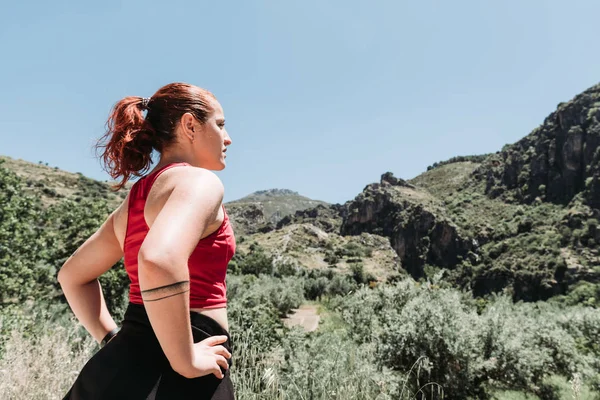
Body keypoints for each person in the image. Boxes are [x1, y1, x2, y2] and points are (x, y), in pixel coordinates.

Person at [58, 82, 236, 399]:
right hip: (181, 369)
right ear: (190, 125)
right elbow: (159, 259)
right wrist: (185, 359)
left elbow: (72, 276)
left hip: (119, 366)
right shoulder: (199, 182)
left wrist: (110, 338)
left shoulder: (134, 202)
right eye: (220, 125)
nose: (228, 137)